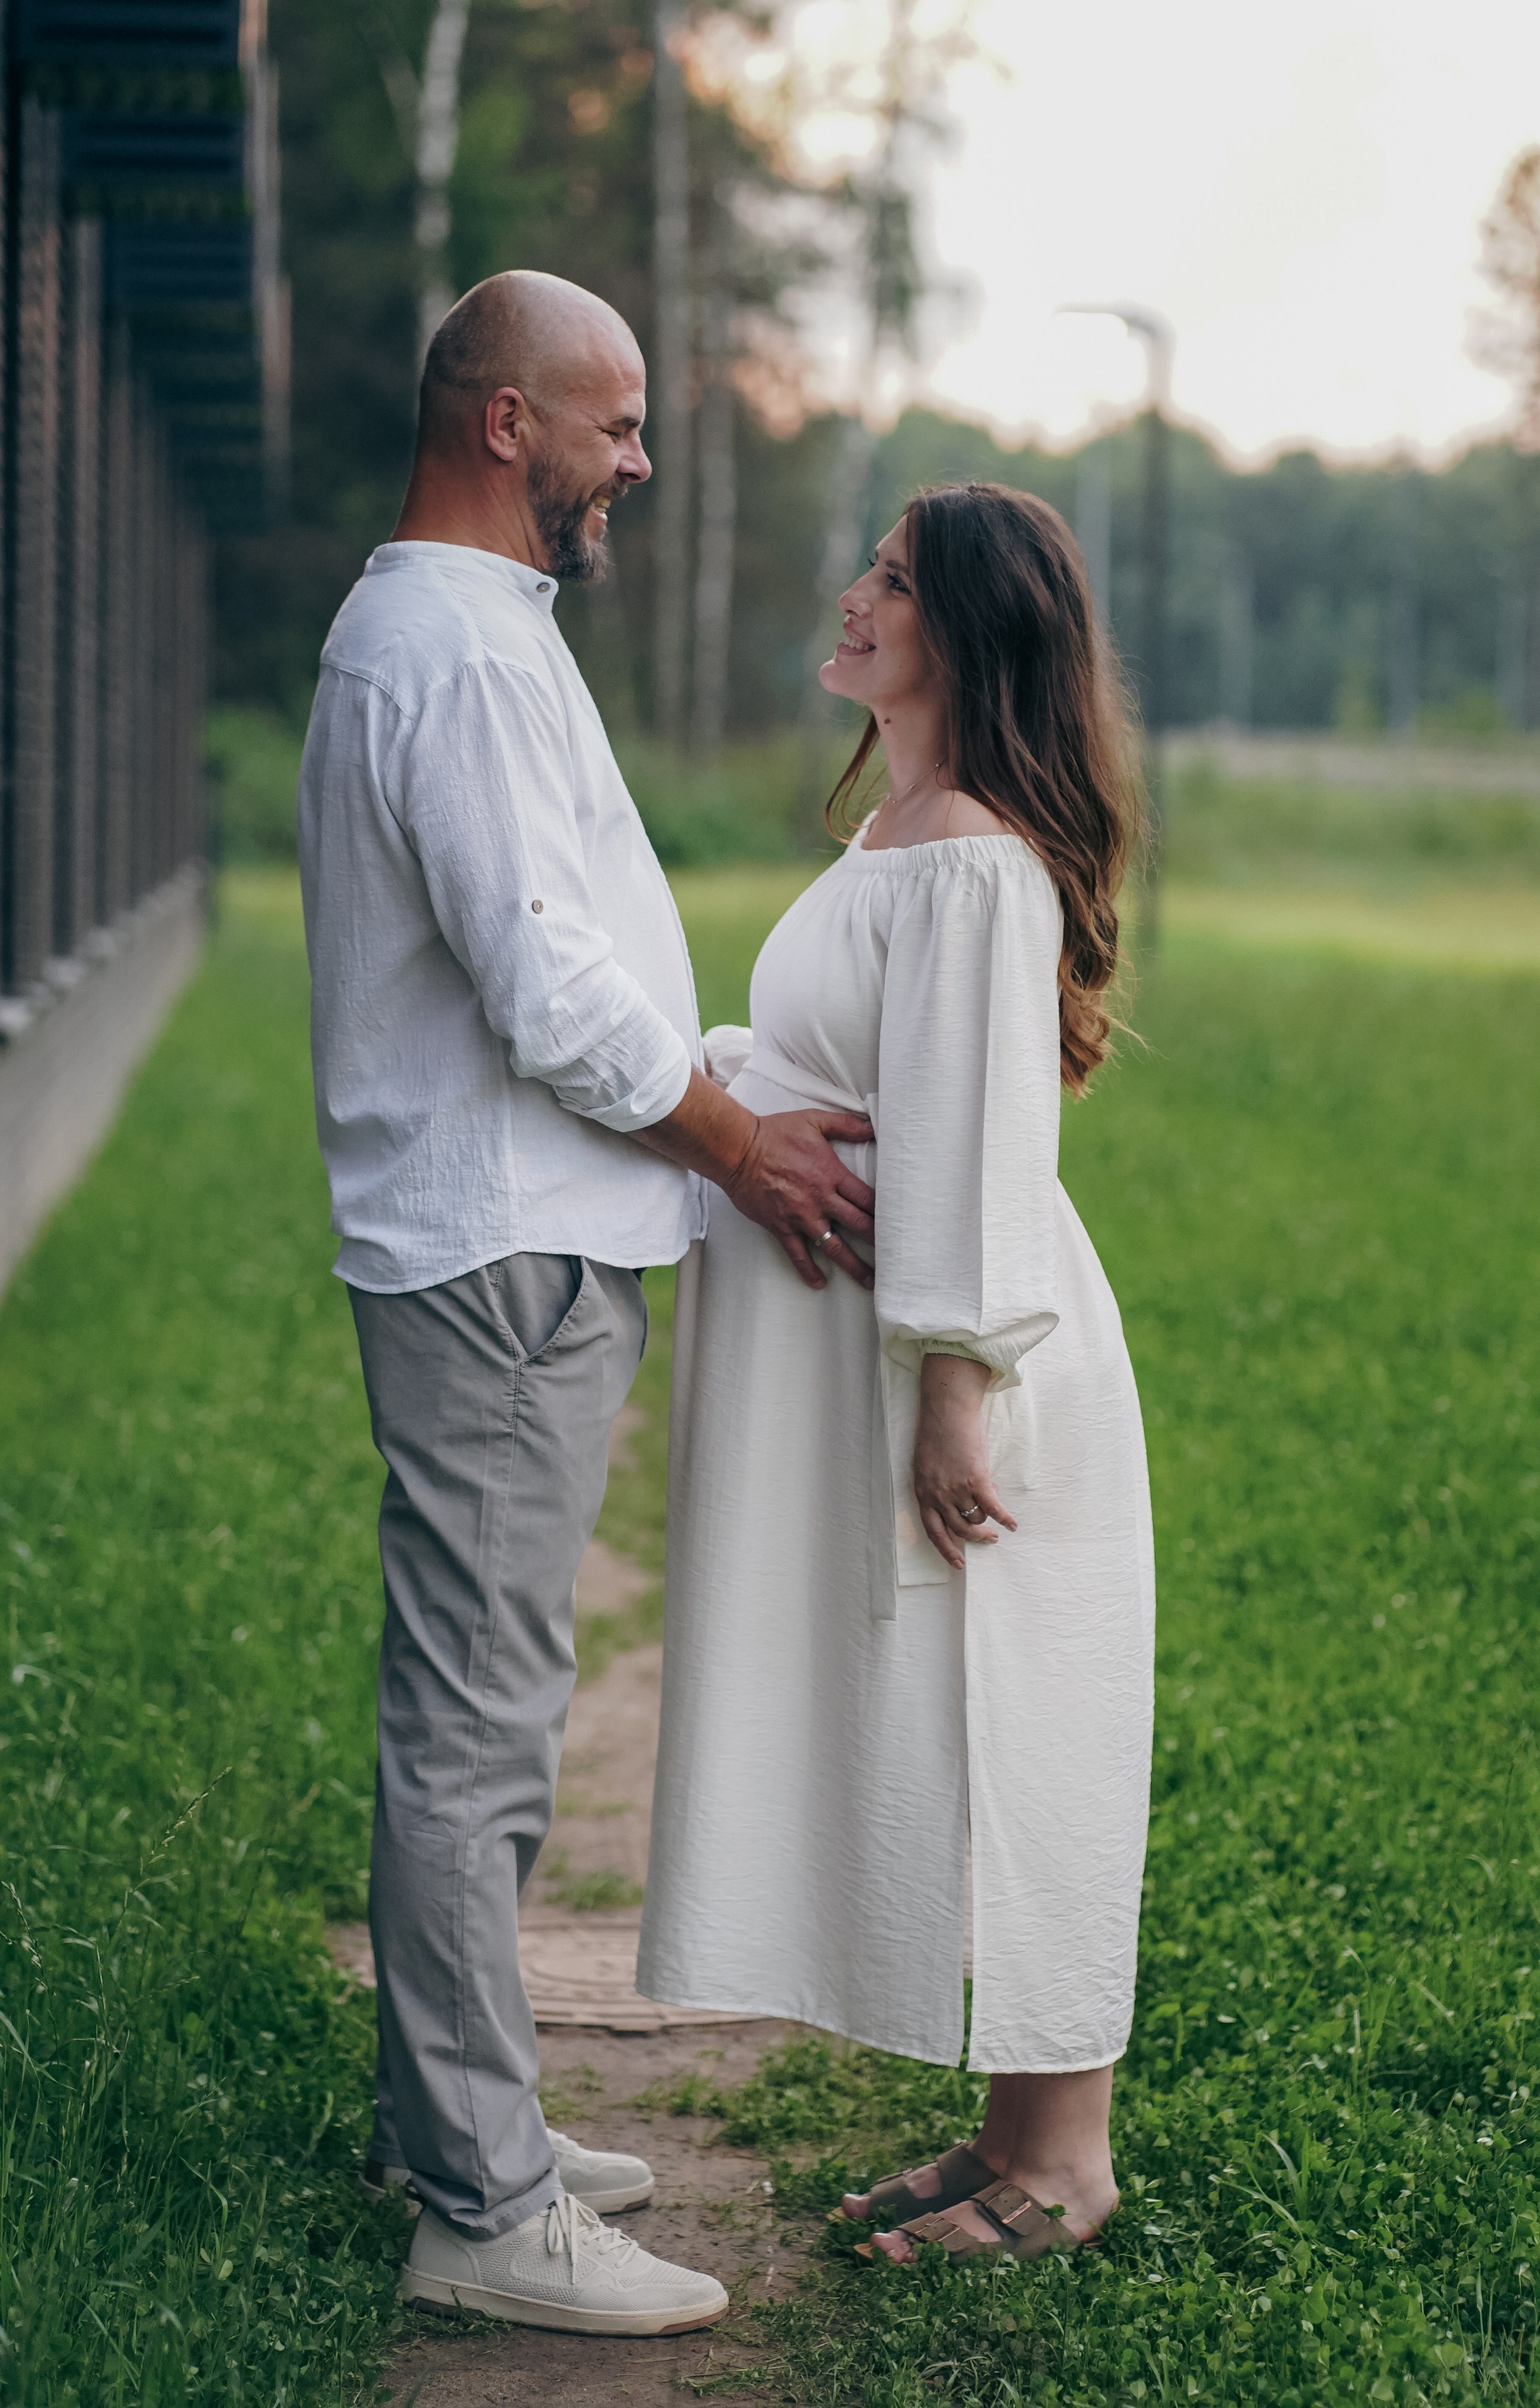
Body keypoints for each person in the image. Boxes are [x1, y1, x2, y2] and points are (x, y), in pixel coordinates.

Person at [297, 270, 875, 2333]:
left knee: (496, 1709)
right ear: (501, 424)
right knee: (476, 1725)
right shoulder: (442, 652)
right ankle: (481, 2203)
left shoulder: (477, 635)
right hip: (494, 1250)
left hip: (526, 1234)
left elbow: (573, 958)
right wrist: (741, 1144)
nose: (639, 461)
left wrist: (729, 1086)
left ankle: (454, 2115)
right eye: (612, 426)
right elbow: (543, 985)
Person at [638, 482, 1156, 2264]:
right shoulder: (894, 839)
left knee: (1023, 1720)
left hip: (981, 1371)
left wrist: (955, 1391)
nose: (855, 598)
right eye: (867, 564)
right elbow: (805, 1057)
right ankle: (1010, 2133)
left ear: (974, 636)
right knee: (958, 1713)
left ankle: (1065, 2164)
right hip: (921, 1353)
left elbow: (983, 1137)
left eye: (898, 583)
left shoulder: (976, 856)